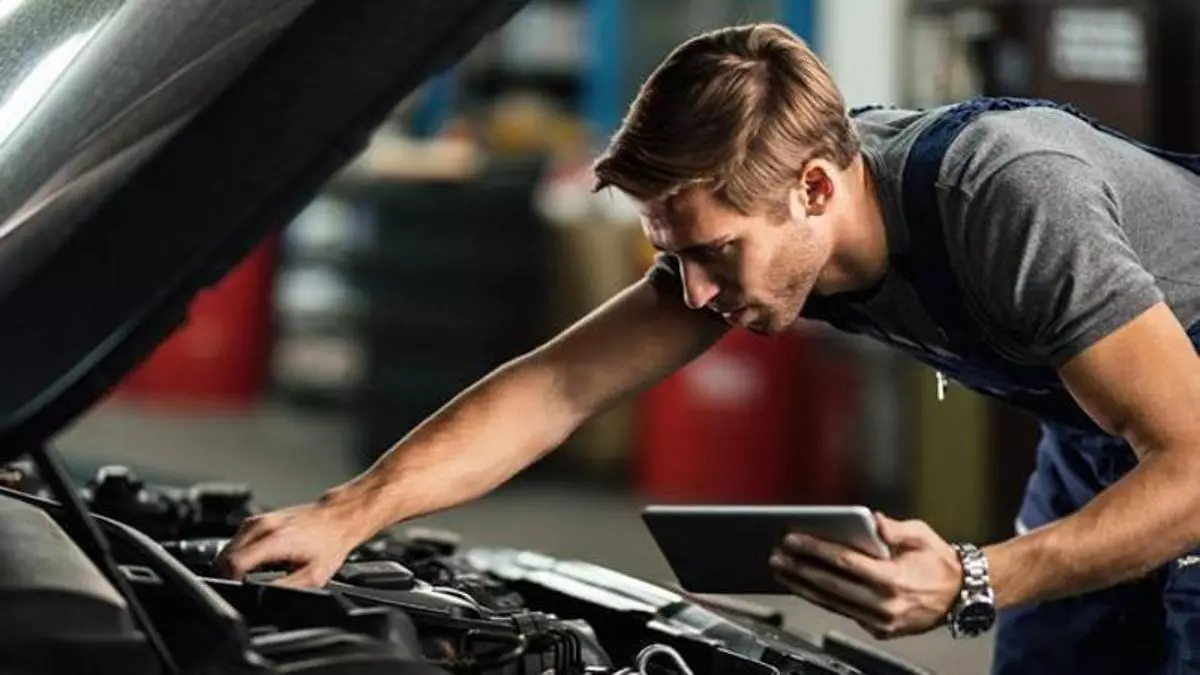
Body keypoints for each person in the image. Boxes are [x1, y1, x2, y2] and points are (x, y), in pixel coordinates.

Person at [217, 22, 1200, 675]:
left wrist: (976, 577)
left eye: (714, 254)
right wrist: (350, 514)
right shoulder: (752, 228)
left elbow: (1192, 463)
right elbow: (558, 387)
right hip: (1110, 424)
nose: (694, 295)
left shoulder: (1010, 197)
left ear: (816, 189)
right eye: (671, 257)